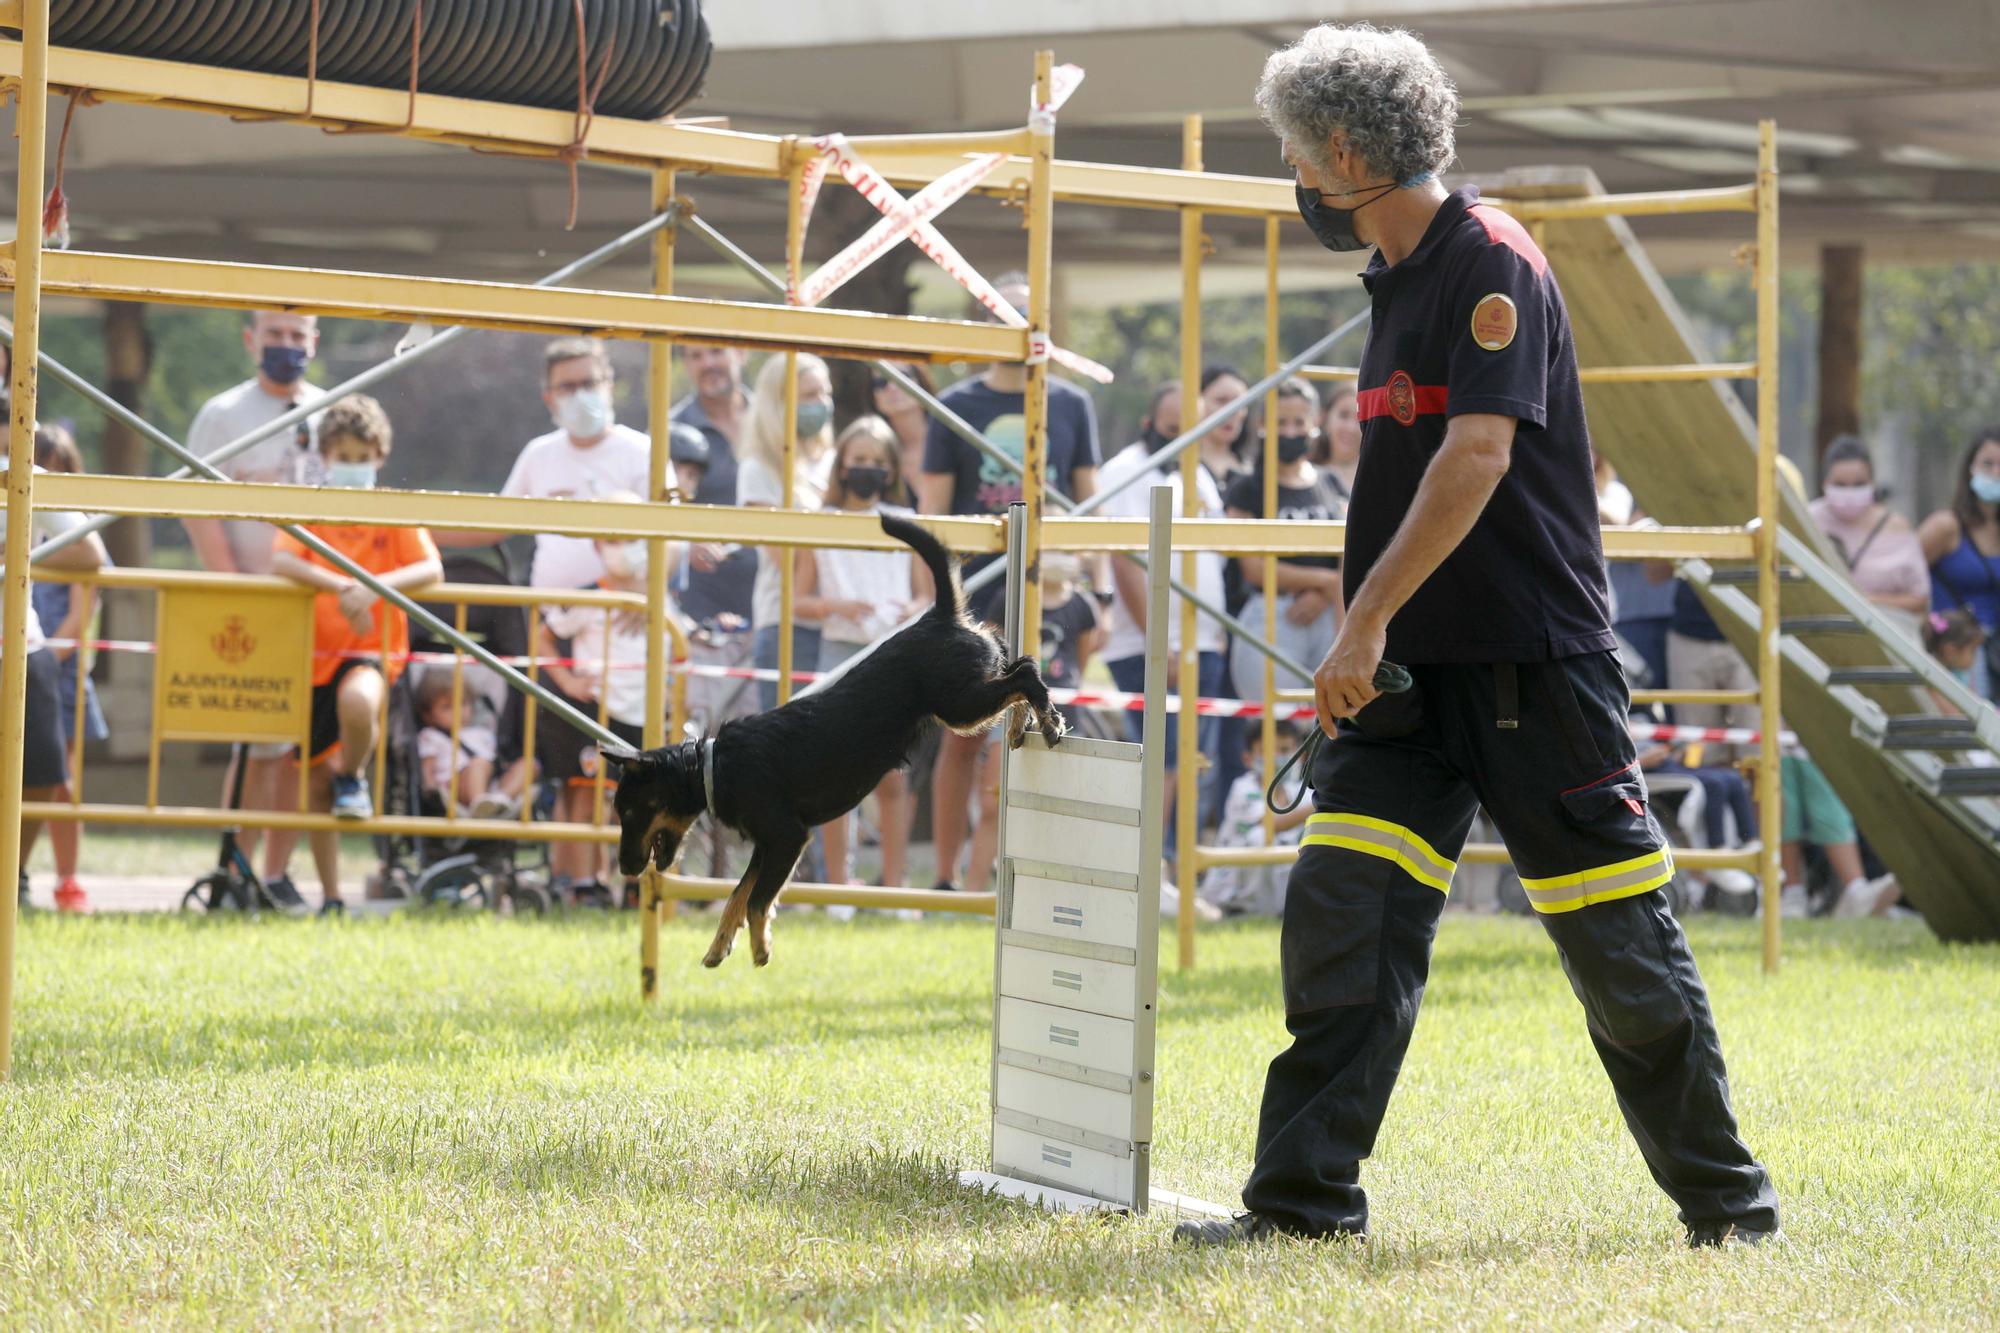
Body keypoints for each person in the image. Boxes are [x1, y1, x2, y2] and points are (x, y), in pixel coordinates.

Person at [1177, 24, 1777, 1248]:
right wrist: (1374, 636)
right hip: (1402, 684)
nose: (1292, 174)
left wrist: (1360, 619)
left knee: (1616, 949)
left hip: (1530, 674)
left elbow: (1477, 456)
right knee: (1341, 922)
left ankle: (1730, 1211)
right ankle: (1298, 1207)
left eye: (1294, 149)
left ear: (1344, 148)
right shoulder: (1395, 282)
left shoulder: (1490, 261)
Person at [918, 271, 1100, 893]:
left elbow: (1088, 507)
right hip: (977, 595)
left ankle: (1010, 875)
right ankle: (946, 877)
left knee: (1037, 730)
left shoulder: (1071, 404)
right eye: (1004, 313)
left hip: (1049, 591)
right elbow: (935, 511)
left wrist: (1091, 589)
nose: (1018, 327)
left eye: (1028, 315)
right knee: (962, 736)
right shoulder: (959, 406)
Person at [450, 338, 651, 890]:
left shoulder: (641, 453)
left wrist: (650, 592)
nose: (582, 394)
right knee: (570, 775)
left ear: (610, 385)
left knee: (633, 774)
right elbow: (497, 522)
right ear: (549, 397)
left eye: (591, 382)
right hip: (554, 638)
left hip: (625, 641)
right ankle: (575, 883)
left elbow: (675, 540)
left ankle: (633, 881)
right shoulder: (539, 455)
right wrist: (411, 527)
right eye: (569, 386)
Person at [270, 395, 442, 916]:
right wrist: (342, 586)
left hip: (370, 651)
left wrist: (372, 589)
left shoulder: (392, 508)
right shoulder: (310, 507)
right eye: (341, 454)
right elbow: (283, 560)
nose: (352, 465)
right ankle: (331, 896)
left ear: (379, 455)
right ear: (324, 454)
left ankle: (355, 773)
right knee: (315, 785)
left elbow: (430, 570)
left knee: (359, 703)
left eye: (361, 455)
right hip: (312, 656)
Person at [182, 310, 326, 916]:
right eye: (275, 335)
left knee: (300, 749)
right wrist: (233, 584)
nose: (286, 346)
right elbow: (195, 503)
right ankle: (234, 869)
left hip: (319, 604)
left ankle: (278, 872)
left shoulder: (333, 410)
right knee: (254, 745)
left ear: (314, 343)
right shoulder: (221, 415)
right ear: (251, 340)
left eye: (298, 337)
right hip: (251, 604)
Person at [793, 416, 933, 888]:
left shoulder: (906, 524)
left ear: (891, 469)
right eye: (859, 460)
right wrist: (837, 605)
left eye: (878, 461)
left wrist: (907, 610)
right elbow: (798, 599)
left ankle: (895, 884)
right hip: (839, 654)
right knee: (837, 775)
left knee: (894, 776)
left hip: (893, 658)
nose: (868, 469)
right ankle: (838, 886)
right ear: (842, 466)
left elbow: (925, 596)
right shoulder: (823, 523)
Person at [1097, 383, 1229, 868]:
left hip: (1202, 643)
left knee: (1195, 762)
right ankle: (1151, 868)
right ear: (1148, 424)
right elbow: (1125, 558)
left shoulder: (1196, 476)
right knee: (1166, 760)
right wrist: (1160, 645)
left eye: (1190, 433)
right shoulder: (1126, 471)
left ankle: (1178, 867)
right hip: (1151, 646)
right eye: (1172, 431)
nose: (1180, 442)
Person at [4, 443, 109, 912]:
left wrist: (17, 556)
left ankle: (16, 873)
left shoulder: (29, 474)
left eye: (11, 444)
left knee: (44, 772)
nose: (7, 457)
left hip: (23, 647)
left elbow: (91, 554)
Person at [1225, 377, 1347, 696]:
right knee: (1274, 728)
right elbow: (1253, 568)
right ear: (1262, 425)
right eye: (1280, 422)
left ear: (1315, 422)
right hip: (1272, 615)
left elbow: (1350, 554)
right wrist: (1328, 582)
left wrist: (1324, 593)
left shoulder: (1331, 484)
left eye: (1298, 422)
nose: (1290, 432)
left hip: (1330, 614)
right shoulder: (1246, 488)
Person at [739, 352, 836, 712]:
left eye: (825, 393)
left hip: (841, 623)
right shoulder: (758, 468)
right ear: (778, 402)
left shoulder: (833, 459)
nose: (822, 404)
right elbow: (784, 559)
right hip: (788, 624)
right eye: (809, 395)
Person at [1810, 435, 1929, 642]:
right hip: (1821, 638)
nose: (1849, 492)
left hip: (1887, 642)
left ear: (1872, 483)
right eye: (1840, 484)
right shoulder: (1807, 519)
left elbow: (1920, 599)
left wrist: (1866, 602)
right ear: (1825, 483)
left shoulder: (1897, 527)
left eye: (1859, 484)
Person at [673, 344, 760, 627]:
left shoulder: (774, 422)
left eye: (716, 351)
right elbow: (653, 513)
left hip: (774, 596)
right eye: (695, 355)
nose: (707, 363)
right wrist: (686, 545)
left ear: (742, 353)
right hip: (700, 609)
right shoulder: (669, 430)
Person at [1917, 427, 2000, 702]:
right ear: (1970, 468)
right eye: (1988, 463)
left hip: (1993, 656)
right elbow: (1906, 577)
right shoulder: (1946, 527)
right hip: (1952, 658)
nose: (1996, 472)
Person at [1200, 723, 1312, 917]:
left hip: (1277, 885)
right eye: (1266, 751)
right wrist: (1322, 804)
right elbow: (1273, 825)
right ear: (1248, 759)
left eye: (1285, 750)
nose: (1277, 758)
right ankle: (1245, 911)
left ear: (1301, 756)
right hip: (1234, 884)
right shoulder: (1244, 788)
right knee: (1261, 837)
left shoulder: (1300, 792)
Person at [870, 361, 938, 503]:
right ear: (874, 397)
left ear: (921, 382)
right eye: (881, 382)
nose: (892, 387)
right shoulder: (873, 453)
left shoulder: (953, 438)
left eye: (903, 377)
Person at [1197, 363, 1253, 491]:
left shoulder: (1252, 469)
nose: (1231, 411)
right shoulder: (1181, 469)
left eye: (1239, 403)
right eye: (1221, 401)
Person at [1319, 382, 1361, 497]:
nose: (1351, 428)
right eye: (1343, 415)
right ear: (1325, 417)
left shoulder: (1380, 477)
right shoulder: (1304, 474)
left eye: (1360, 419)